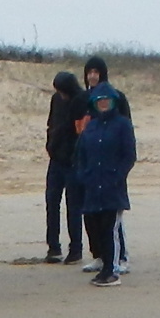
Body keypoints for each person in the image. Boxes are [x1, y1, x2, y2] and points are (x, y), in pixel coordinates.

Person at [72, 77, 135, 285]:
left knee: (110, 228)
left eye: (107, 100)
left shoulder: (122, 125)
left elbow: (129, 155)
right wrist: (83, 176)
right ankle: (103, 266)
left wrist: (117, 176)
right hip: (92, 186)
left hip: (112, 186)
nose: (103, 103)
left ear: (114, 101)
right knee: (96, 228)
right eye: (99, 100)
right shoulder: (91, 126)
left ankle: (112, 269)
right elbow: (80, 154)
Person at [41, 67, 87, 263]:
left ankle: (75, 249)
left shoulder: (82, 101)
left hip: (73, 161)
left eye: (62, 90)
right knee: (52, 202)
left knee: (73, 206)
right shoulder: (56, 100)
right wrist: (50, 144)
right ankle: (53, 247)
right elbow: (51, 124)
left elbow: (82, 132)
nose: (60, 94)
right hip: (56, 158)